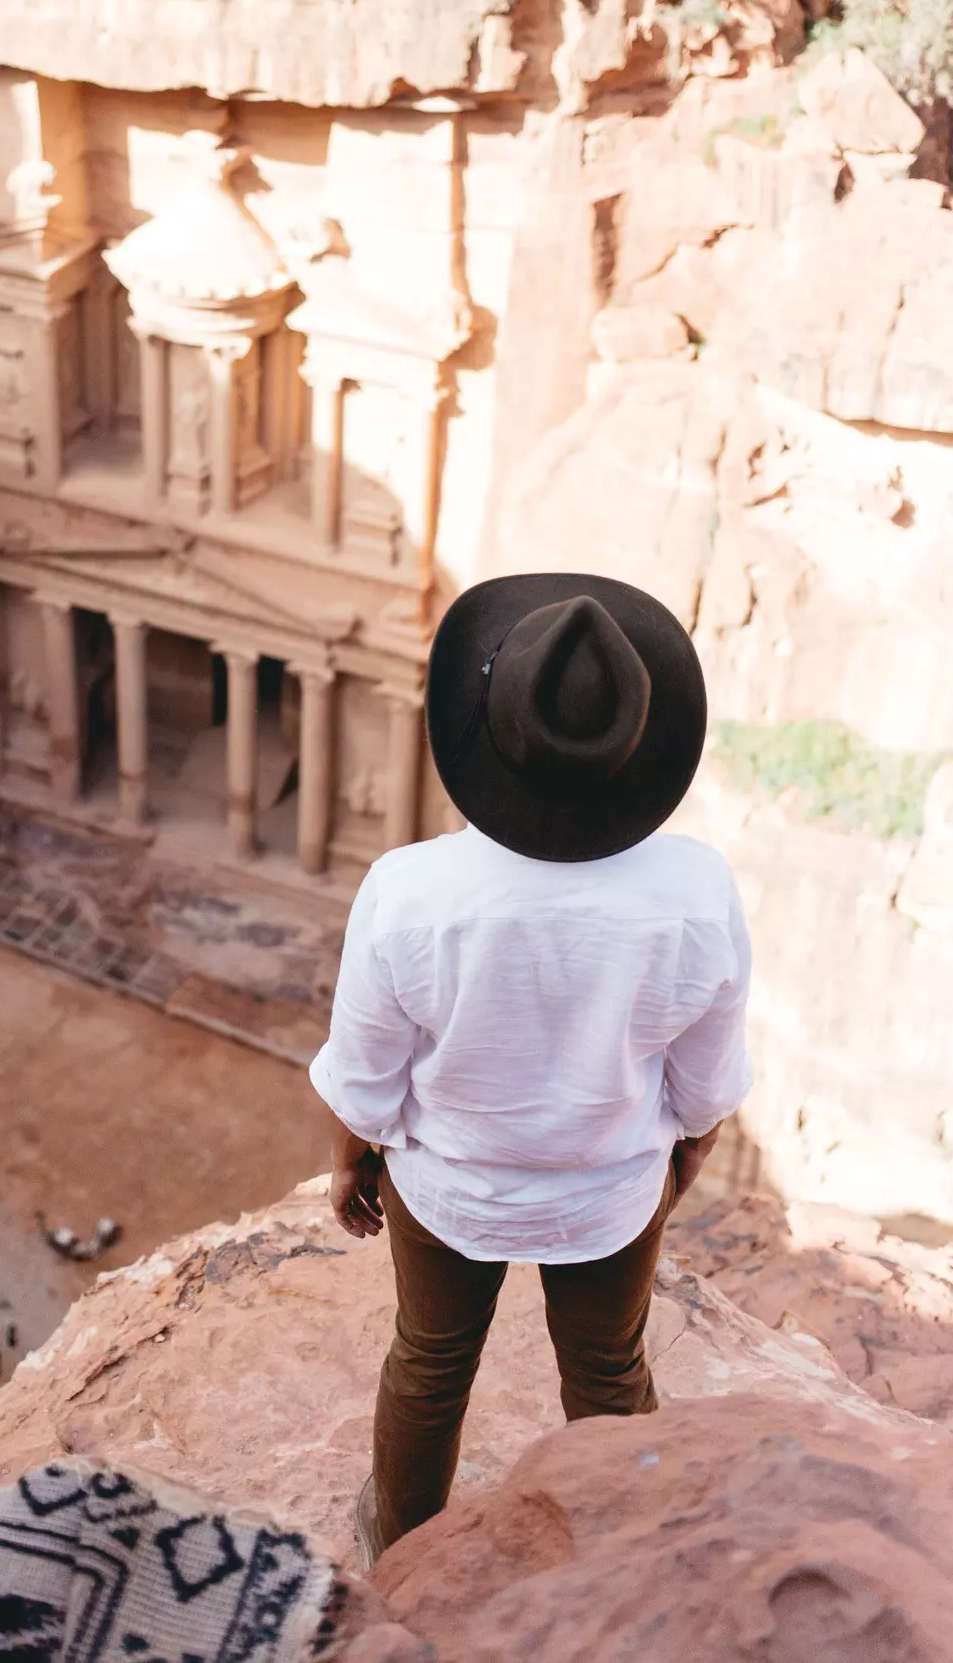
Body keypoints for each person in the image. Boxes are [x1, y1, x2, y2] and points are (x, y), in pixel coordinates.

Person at [310, 575, 752, 1568]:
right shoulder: (692, 889)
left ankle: (406, 1550)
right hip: (606, 1192)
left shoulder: (409, 891)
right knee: (606, 1375)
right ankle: (614, 1552)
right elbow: (706, 1080)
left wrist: (351, 1165)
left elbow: (367, 1077)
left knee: (426, 1367)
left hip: (447, 1187)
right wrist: (672, 1167)